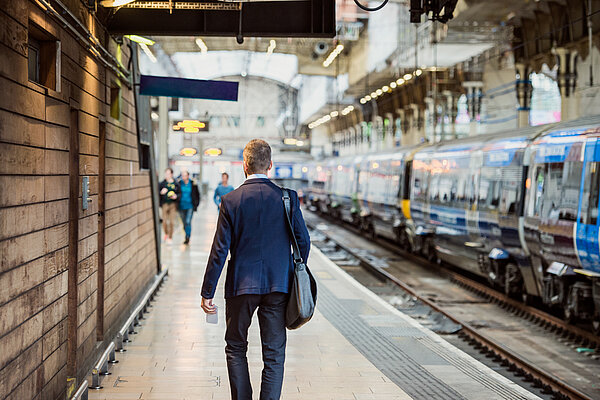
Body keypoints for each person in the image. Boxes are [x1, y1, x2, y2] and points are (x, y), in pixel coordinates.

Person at [200, 139, 310, 400]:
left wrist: (208, 291)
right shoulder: (287, 198)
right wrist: (291, 270)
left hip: (241, 286)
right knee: (274, 355)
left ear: (244, 165)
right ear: (270, 165)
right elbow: (303, 241)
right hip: (277, 287)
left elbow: (219, 250)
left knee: (236, 347)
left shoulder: (230, 200)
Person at [178, 169, 201, 245]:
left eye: (185, 175)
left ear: (188, 176)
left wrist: (196, 204)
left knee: (188, 222)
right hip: (181, 206)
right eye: (182, 175)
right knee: (184, 223)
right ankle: (186, 234)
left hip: (190, 206)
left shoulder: (193, 184)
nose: (183, 177)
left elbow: (197, 195)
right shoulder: (179, 183)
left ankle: (188, 237)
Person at [159, 167, 179, 245]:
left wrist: (176, 196)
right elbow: (158, 193)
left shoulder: (176, 183)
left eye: (168, 174)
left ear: (171, 174)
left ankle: (170, 237)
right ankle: (166, 233)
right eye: (166, 173)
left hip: (173, 204)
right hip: (165, 204)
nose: (167, 175)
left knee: (171, 222)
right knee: (164, 221)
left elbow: (179, 193)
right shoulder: (162, 183)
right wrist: (161, 193)